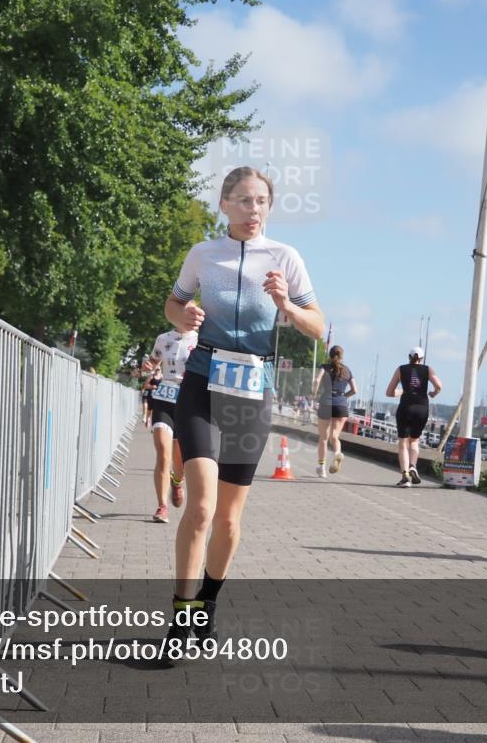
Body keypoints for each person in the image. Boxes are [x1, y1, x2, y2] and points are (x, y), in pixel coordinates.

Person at [163, 165, 324, 650]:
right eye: (244, 200)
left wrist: (287, 306)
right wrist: (184, 316)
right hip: (202, 383)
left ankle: (208, 605)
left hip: (252, 391)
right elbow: (173, 304)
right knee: (201, 509)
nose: (254, 210)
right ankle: (181, 619)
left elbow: (318, 326)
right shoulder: (203, 253)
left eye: (261, 202)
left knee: (229, 520)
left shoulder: (284, 257)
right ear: (224, 204)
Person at [146, 328, 198, 523]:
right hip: (164, 399)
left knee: (180, 460)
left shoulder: (201, 339)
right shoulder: (163, 338)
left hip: (188, 400)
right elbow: (153, 361)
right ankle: (162, 506)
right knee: (163, 453)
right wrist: (148, 365)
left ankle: (177, 481)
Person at [385, 346, 441, 487]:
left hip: (405, 407)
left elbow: (389, 392)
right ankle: (413, 466)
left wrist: (401, 392)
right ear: (421, 359)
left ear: (409, 357)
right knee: (414, 441)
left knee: (403, 443)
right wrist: (433, 393)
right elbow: (439, 385)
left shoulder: (401, 369)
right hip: (422, 408)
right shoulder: (427, 369)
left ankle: (405, 477)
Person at [313, 346, 358, 477]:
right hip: (341, 405)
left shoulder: (325, 367)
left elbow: (316, 380)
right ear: (341, 356)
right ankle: (337, 453)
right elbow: (355, 390)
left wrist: (314, 394)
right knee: (334, 436)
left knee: (323, 438)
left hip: (326, 402)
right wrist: (344, 396)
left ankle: (322, 468)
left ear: (330, 355)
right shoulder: (347, 370)